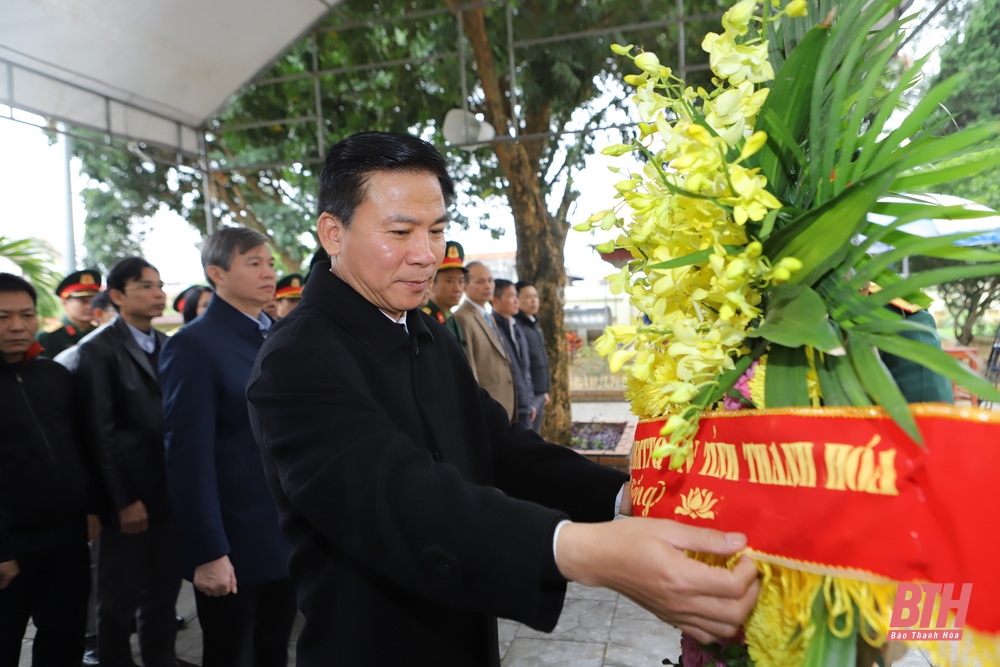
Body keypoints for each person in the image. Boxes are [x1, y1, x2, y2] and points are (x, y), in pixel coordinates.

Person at [246, 131, 759, 666]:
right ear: (333, 232)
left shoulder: (419, 330)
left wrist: (628, 496)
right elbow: (397, 497)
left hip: (464, 631)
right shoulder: (297, 360)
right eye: (400, 232)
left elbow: (499, 447)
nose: (426, 255)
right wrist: (579, 550)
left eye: (437, 230)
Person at [159, 228, 295, 667]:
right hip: (235, 540)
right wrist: (208, 552)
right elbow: (188, 458)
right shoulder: (194, 345)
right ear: (216, 273)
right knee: (233, 654)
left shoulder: (277, 333)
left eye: (270, 263)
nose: (268, 272)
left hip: (287, 531)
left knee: (274, 649)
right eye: (253, 263)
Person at [58, 258, 189, 667]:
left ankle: (160, 659)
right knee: (118, 599)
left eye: (160, 285)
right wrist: (122, 500)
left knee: (163, 594)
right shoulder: (98, 350)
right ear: (117, 296)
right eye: (146, 286)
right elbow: (101, 433)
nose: (159, 293)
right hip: (130, 497)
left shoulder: (166, 344)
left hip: (168, 492)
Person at [0, 273, 93, 666]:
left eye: (26, 314)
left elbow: (80, 447)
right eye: (3, 316)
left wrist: (91, 508)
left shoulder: (54, 375)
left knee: (63, 643)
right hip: (10, 548)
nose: (18, 326)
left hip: (66, 541)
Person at [453, 261, 517, 419]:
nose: (488, 286)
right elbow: (470, 366)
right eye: (480, 282)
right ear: (465, 287)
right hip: (488, 406)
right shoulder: (463, 317)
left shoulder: (487, 315)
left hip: (504, 402)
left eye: (490, 280)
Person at [492, 279, 536, 426]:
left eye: (516, 296)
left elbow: (525, 369)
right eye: (511, 296)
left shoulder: (516, 326)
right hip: (509, 405)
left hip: (525, 404)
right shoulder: (492, 328)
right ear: (495, 300)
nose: (516, 301)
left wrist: (530, 402)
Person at [37, 268, 102, 358]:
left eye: (93, 301)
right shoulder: (49, 337)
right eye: (83, 301)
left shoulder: (99, 333)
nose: (90, 306)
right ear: (65, 303)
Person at [515, 281, 550, 432]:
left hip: (539, 392)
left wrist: (544, 390)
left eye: (535, 296)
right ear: (517, 299)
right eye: (528, 297)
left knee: (537, 434)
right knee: (528, 434)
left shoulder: (534, 325)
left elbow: (539, 360)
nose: (533, 300)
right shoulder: (517, 326)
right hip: (528, 395)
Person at [422, 240, 468, 351]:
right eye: (450, 281)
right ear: (432, 283)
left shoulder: (451, 318)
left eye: (461, 281)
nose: (457, 288)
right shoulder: (425, 318)